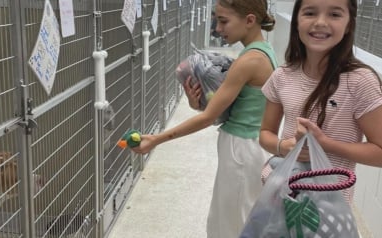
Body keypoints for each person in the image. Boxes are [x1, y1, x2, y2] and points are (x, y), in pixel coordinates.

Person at [131, 0, 277, 237]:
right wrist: (197, 102)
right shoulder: (262, 52)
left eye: (223, 21)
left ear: (250, 20)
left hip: (241, 151)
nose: (218, 28)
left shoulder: (249, 60)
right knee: (235, 217)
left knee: (233, 225)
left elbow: (209, 118)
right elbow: (230, 107)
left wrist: (156, 139)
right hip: (248, 148)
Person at [259, 0, 382, 203]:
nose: (320, 22)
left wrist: (325, 144)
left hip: (328, 213)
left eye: (334, 14)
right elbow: (265, 134)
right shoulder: (282, 76)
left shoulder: (360, 81)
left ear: (349, 23)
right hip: (281, 199)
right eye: (310, 13)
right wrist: (285, 147)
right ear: (296, 20)